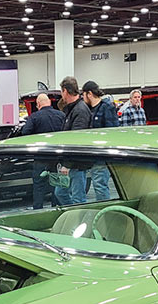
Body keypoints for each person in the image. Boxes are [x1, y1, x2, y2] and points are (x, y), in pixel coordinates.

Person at [20, 93, 66, 209]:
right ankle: (56, 209)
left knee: (39, 185)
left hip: (41, 157)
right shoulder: (61, 115)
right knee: (56, 184)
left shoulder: (35, 117)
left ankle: (38, 210)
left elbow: (25, 132)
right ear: (49, 103)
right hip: (58, 157)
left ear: (38, 104)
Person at [58, 76, 92, 205]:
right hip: (71, 162)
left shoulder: (80, 110)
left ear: (65, 91)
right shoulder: (72, 109)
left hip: (77, 164)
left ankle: (79, 219)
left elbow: (77, 140)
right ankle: (72, 213)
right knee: (60, 193)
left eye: (62, 92)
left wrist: (68, 164)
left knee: (78, 199)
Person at [83, 80, 119, 202]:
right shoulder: (89, 110)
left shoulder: (107, 108)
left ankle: (105, 213)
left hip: (102, 156)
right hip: (93, 156)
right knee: (98, 185)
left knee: (100, 186)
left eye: (83, 95)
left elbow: (113, 132)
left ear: (89, 94)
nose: (83, 98)